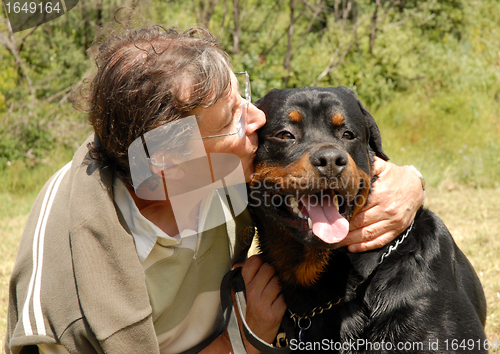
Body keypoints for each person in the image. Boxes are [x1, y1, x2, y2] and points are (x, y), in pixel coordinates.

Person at [5, 26, 424, 354]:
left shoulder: (221, 168)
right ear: (169, 161)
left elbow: (344, 162)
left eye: (241, 95)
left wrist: (408, 183)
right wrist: (246, 340)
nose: (257, 118)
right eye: (231, 118)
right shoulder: (71, 301)